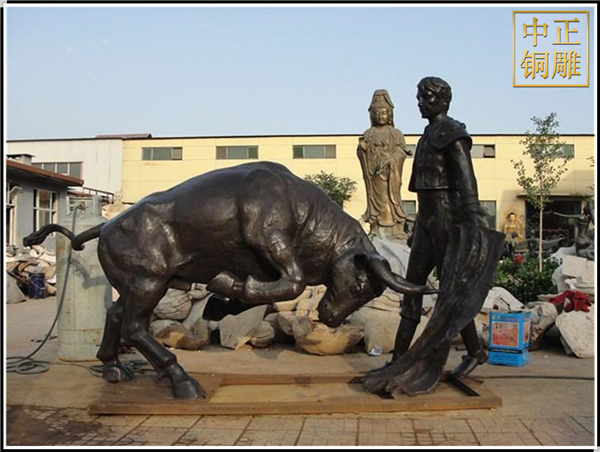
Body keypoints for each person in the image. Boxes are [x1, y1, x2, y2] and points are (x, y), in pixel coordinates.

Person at [393, 76, 489, 377]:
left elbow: (466, 179)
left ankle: (475, 351)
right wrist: (417, 226)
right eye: (419, 98)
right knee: (412, 287)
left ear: (444, 100)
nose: (421, 103)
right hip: (426, 221)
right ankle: (398, 360)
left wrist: (472, 220)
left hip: (447, 220)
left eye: (427, 97)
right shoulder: (426, 136)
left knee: (451, 292)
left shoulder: (453, 133)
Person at [357, 89, 412, 240]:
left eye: (383, 113)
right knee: (376, 201)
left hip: (389, 176)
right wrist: (362, 149)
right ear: (371, 115)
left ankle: (395, 230)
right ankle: (376, 228)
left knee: (390, 200)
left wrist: (391, 159)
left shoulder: (396, 133)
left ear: (390, 115)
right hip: (374, 176)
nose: (380, 116)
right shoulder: (369, 133)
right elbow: (362, 152)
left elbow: (401, 152)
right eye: (377, 113)